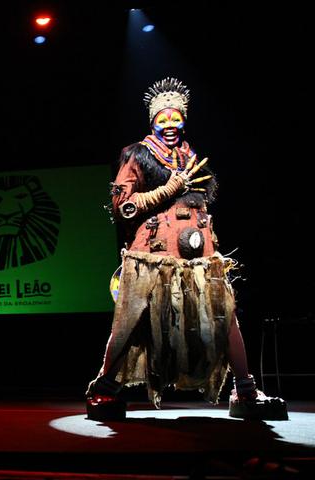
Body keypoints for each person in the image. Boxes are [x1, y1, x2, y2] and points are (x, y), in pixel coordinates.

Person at [85, 77, 286, 421]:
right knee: (132, 320)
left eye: (175, 118)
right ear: (152, 121)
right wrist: (169, 189)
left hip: (200, 254)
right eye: (163, 119)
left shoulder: (193, 158)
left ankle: (245, 388)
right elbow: (124, 207)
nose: (170, 125)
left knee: (226, 316)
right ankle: (105, 387)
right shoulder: (138, 155)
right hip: (154, 253)